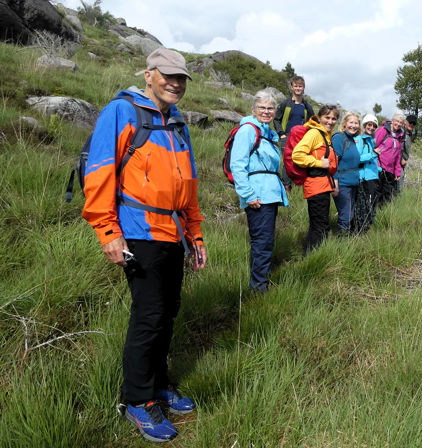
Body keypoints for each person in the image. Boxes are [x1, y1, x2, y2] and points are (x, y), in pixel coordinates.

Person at [81, 48, 206, 443]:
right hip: (137, 231)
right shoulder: (121, 112)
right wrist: (107, 231)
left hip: (173, 233)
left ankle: (160, 385)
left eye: (181, 78)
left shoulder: (178, 124)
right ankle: (137, 400)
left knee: (168, 312)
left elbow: (189, 188)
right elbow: (99, 172)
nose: (175, 83)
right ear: (148, 74)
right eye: (168, 75)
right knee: (149, 315)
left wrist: (196, 233)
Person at [229, 90, 288, 292]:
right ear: (253, 109)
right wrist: (248, 195)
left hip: (269, 194)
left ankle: (260, 282)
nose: (266, 111)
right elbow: (237, 164)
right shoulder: (248, 130)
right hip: (257, 195)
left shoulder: (268, 133)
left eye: (270, 108)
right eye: (262, 107)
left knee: (265, 241)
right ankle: (258, 289)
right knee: (262, 242)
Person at [291, 105, 339, 254]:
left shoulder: (326, 135)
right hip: (316, 186)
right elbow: (297, 155)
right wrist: (319, 163)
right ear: (319, 118)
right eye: (327, 117)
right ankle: (313, 258)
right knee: (321, 227)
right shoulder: (315, 133)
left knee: (318, 225)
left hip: (323, 186)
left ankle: (310, 255)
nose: (330, 121)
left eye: (334, 118)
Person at [274, 75, 315, 189]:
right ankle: (286, 186)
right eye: (296, 86)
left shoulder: (307, 105)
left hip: (302, 137)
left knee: (301, 159)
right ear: (292, 87)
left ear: (304, 87)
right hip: (286, 136)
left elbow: (312, 121)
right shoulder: (285, 104)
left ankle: (300, 185)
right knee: (288, 160)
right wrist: (281, 133)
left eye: (300, 86)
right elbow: (276, 119)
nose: (298, 88)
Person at [331, 111, 361, 233]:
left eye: (356, 123)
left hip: (353, 184)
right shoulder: (339, 138)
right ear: (344, 124)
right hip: (342, 184)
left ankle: (343, 241)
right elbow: (334, 163)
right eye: (351, 122)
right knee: (346, 216)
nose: (353, 125)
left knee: (349, 214)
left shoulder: (353, 140)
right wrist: (335, 183)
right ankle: (341, 244)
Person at [352, 114, 381, 233]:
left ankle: (366, 228)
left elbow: (371, 161)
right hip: (365, 179)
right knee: (365, 205)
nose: (372, 127)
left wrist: (379, 169)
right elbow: (357, 159)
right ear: (364, 125)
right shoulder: (359, 140)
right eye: (369, 125)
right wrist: (373, 154)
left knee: (371, 204)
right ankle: (361, 229)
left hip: (372, 177)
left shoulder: (370, 141)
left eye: (374, 126)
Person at [374, 112, 405, 208]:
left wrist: (397, 172)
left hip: (390, 171)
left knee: (386, 196)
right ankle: (372, 214)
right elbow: (373, 145)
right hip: (379, 167)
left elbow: (397, 156)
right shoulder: (383, 130)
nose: (398, 124)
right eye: (397, 121)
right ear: (392, 121)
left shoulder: (399, 136)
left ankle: (382, 215)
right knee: (376, 194)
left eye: (401, 122)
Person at [397, 114, 416, 192]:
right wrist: (401, 159)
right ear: (405, 122)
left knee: (400, 182)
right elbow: (398, 147)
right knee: (398, 185)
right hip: (398, 162)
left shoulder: (409, 133)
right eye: (410, 122)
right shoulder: (401, 132)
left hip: (402, 163)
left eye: (414, 123)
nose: (412, 124)